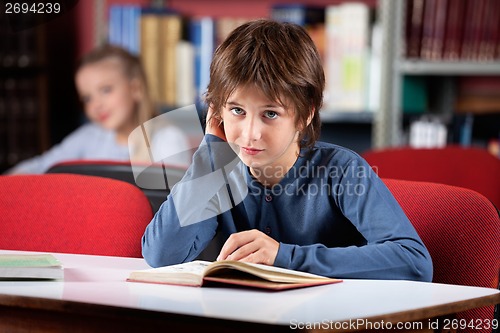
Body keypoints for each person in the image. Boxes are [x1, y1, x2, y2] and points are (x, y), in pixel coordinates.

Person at [141, 20, 433, 281]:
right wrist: (209, 155)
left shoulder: (343, 170)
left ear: (305, 114)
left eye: (270, 114)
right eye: (237, 110)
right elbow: (163, 254)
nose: (250, 134)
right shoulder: (218, 171)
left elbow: (414, 262)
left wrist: (283, 257)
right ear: (216, 111)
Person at [7, 45, 190, 174]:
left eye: (106, 90)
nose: (96, 105)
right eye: (87, 98)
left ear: (136, 89)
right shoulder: (88, 137)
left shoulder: (167, 139)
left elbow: (177, 204)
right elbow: (39, 167)